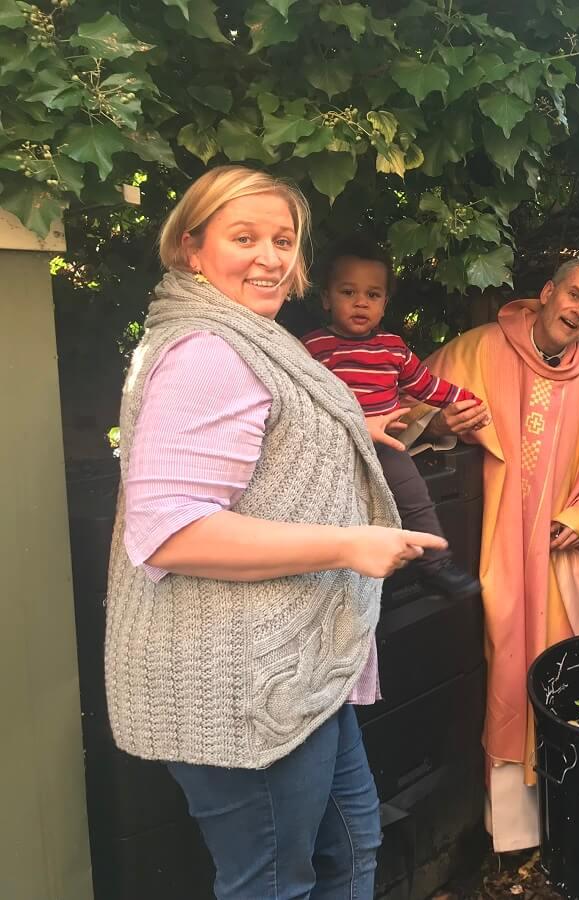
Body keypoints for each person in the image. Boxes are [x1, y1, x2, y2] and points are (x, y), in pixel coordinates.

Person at [104, 165, 447, 899]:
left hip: (296, 672)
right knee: (272, 882)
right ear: (191, 249)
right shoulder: (204, 353)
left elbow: (274, 442)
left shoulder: (255, 338)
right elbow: (170, 534)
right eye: (245, 236)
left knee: (353, 843)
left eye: (283, 240)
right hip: (240, 681)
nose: (269, 256)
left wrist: (360, 425)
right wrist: (349, 544)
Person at [401, 258, 579, 852]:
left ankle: (568, 814)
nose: (578, 312)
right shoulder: (477, 350)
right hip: (487, 552)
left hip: (559, 564)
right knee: (497, 669)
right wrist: (441, 423)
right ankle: (511, 829)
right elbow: (403, 416)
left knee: (562, 673)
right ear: (548, 292)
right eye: (573, 296)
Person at [303, 235, 485, 598]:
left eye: (372, 295)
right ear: (326, 297)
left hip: (385, 446)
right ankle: (318, 577)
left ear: (384, 304)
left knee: (416, 497)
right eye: (347, 292)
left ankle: (436, 564)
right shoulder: (312, 348)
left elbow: (426, 385)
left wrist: (466, 399)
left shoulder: (393, 348)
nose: (360, 302)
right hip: (333, 447)